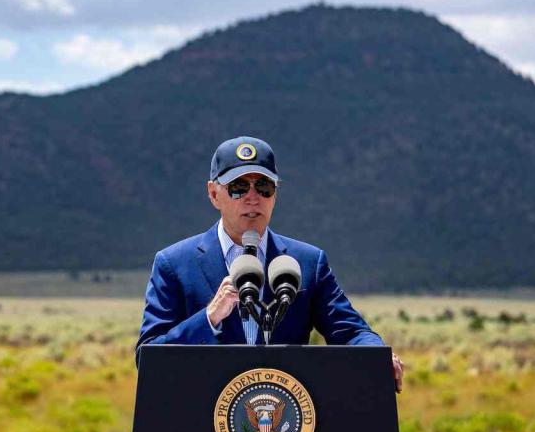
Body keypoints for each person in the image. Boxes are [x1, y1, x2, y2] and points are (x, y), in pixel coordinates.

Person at [136, 136, 404, 392]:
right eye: (238, 187)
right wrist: (210, 318)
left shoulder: (308, 262)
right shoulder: (174, 264)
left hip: (287, 425)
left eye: (264, 187)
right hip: (203, 426)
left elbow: (351, 331)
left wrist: (377, 355)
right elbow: (147, 357)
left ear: (275, 194)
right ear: (214, 194)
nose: (253, 197)